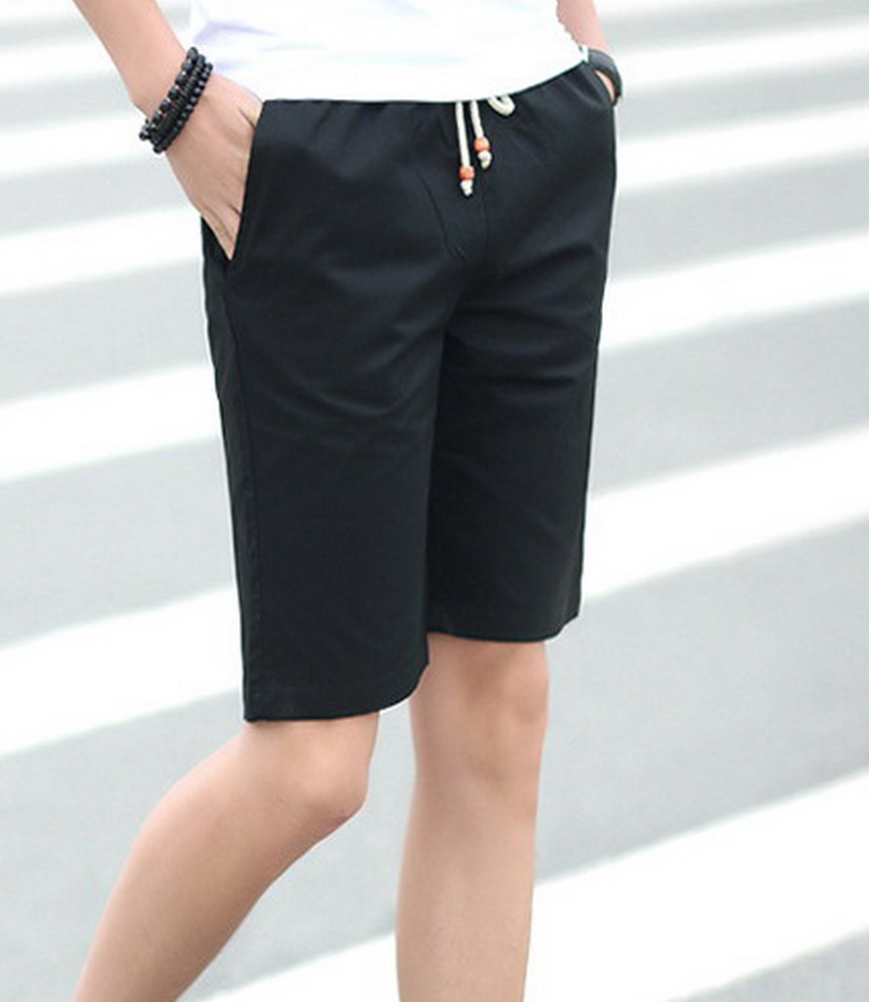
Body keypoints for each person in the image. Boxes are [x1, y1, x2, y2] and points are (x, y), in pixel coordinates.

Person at [67, 0, 619, 999]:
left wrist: (585, 47)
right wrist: (168, 91)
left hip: (538, 120)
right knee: (311, 763)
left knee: (499, 706)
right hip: (315, 137)